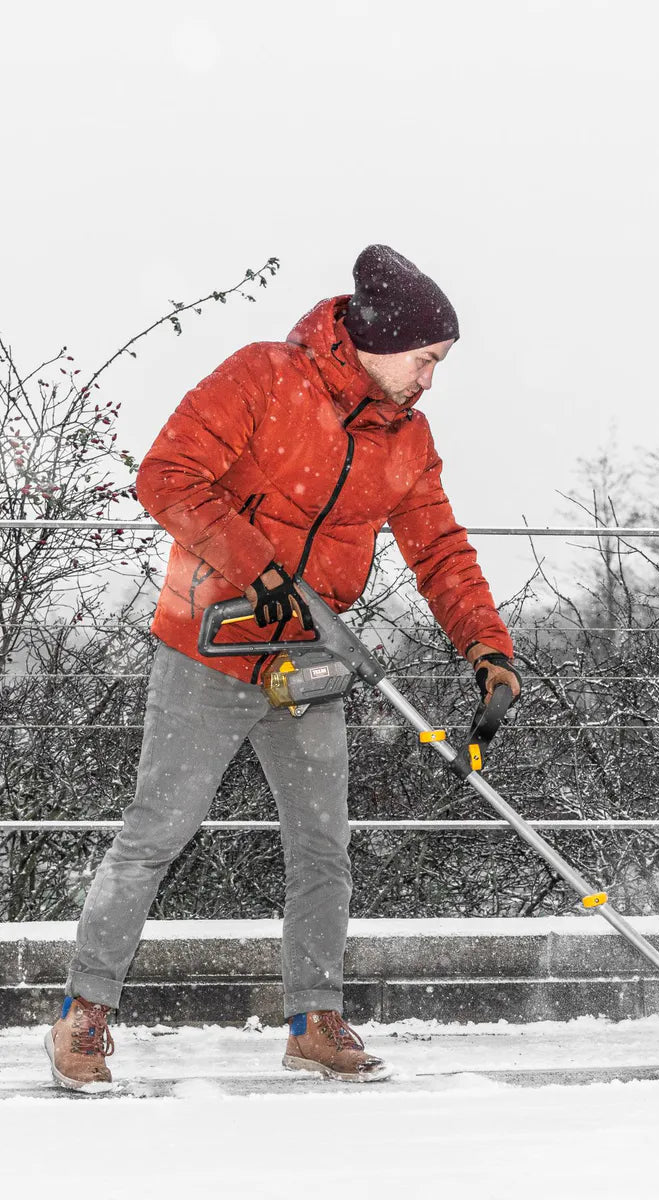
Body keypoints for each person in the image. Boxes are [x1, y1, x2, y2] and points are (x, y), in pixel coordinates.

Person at [45, 245, 521, 1091]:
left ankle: (314, 1019)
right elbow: (168, 476)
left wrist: (488, 649)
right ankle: (84, 1015)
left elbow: (439, 549)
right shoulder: (266, 378)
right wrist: (260, 568)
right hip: (210, 644)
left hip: (309, 665)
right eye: (426, 359)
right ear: (380, 340)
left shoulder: (404, 438)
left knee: (322, 847)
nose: (430, 380)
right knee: (157, 833)